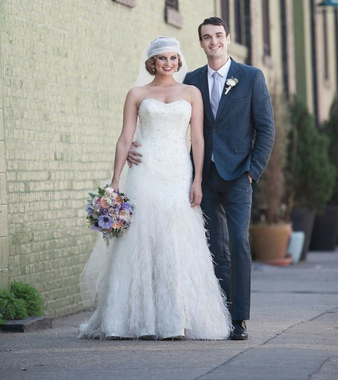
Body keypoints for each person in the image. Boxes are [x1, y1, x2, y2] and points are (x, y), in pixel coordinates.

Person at [129, 19, 275, 341]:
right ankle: (221, 314)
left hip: (239, 176)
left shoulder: (251, 77)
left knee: (238, 242)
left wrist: (253, 171)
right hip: (200, 177)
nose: (214, 41)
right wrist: (136, 147)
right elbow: (168, 117)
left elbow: (266, 129)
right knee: (213, 248)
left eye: (219, 36)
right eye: (207, 37)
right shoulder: (191, 80)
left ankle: (240, 320)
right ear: (200, 43)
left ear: (228, 39)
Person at [79, 36, 232, 340]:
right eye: (162, 58)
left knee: (175, 238)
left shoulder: (192, 92)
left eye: (173, 58)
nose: (169, 63)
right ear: (152, 62)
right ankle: (132, 320)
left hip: (178, 172)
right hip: (144, 170)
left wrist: (198, 179)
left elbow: (198, 139)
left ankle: (174, 320)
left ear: (179, 60)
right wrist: (114, 180)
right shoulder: (137, 93)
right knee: (141, 237)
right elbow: (125, 138)